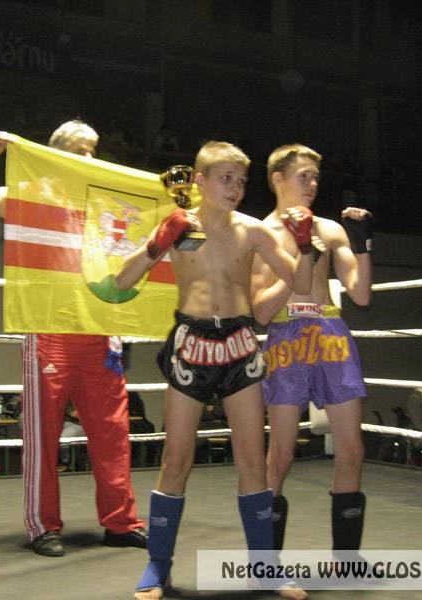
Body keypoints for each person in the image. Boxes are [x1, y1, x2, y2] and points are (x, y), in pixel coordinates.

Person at [114, 140, 312, 600]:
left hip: (240, 345)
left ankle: (265, 569)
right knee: (176, 461)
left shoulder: (252, 231)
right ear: (200, 181)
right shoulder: (179, 226)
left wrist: (304, 246)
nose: (236, 187)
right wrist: (158, 243)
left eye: (241, 180)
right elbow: (122, 280)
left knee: (253, 463)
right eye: (226, 178)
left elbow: (301, 283)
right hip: (191, 345)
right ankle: (158, 567)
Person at [0, 119, 146, 557]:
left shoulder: (106, 200)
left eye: (93, 150)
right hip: (49, 329)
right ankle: (43, 526)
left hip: (99, 329)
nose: (89, 157)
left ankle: (121, 522)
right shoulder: (36, 196)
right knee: (44, 435)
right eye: (79, 149)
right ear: (55, 154)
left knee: (112, 433)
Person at [250, 143, 372, 553]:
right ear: (278, 179)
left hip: (331, 334)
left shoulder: (331, 229)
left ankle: (347, 559)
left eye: (316, 177)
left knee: (351, 449)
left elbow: (361, 294)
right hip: (286, 336)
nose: (313, 184)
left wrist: (362, 244)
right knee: (281, 455)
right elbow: (261, 312)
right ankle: (266, 561)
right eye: (304, 176)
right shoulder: (261, 235)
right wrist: (301, 258)